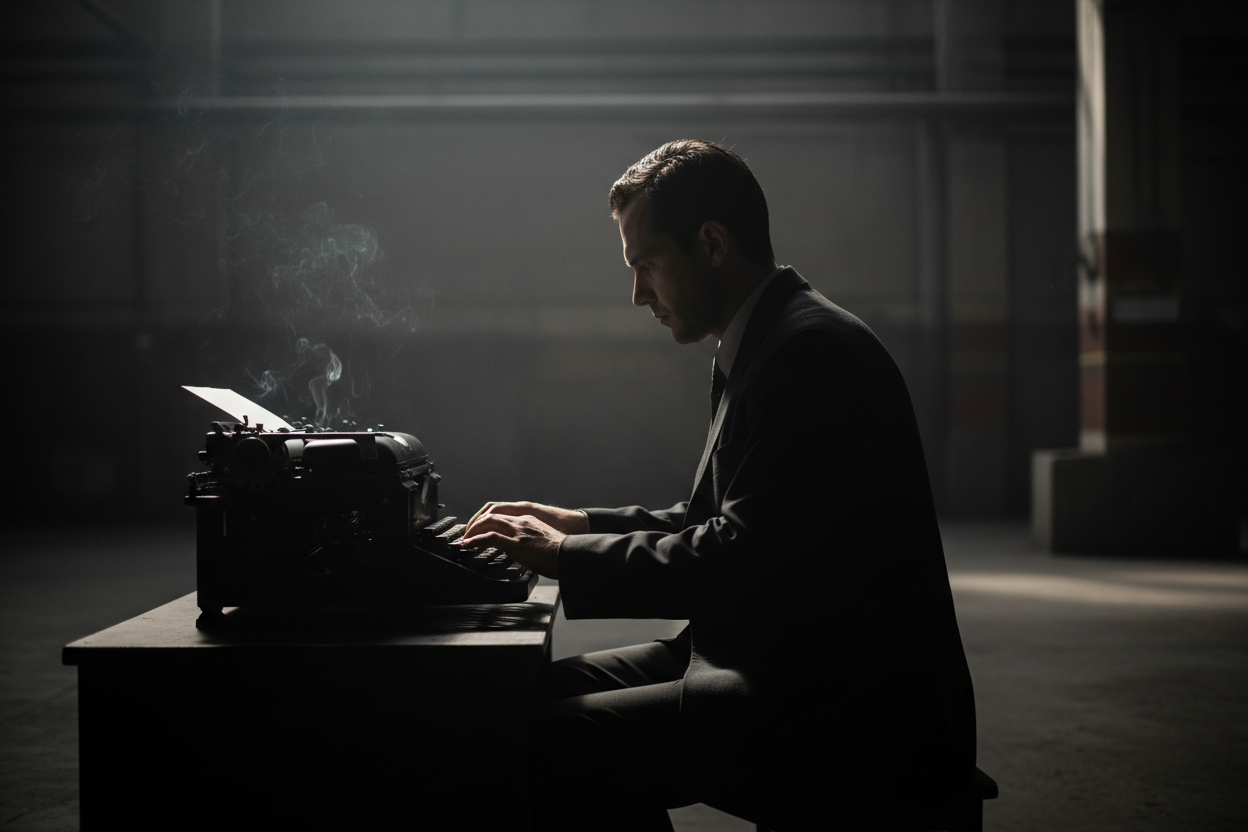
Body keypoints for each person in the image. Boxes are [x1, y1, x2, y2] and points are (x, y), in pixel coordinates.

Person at [460, 140, 976, 830]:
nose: (637, 293)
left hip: (835, 694)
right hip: (769, 649)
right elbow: (714, 518)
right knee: (531, 698)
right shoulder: (767, 339)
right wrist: (574, 524)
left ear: (711, 244)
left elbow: (738, 555)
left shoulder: (808, 353)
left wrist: (558, 558)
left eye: (646, 265)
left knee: (561, 744)